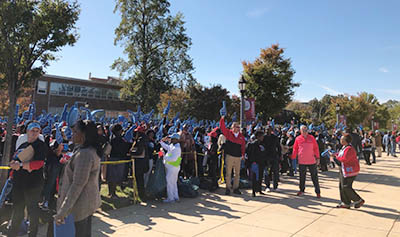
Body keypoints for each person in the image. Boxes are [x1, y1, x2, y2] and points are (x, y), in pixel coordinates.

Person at [54, 120, 102, 237]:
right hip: (82, 207)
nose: (72, 134)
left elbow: (77, 185)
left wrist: (63, 211)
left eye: (75, 131)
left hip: (78, 208)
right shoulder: (83, 150)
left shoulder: (85, 154)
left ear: (84, 134)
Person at [8, 121, 47, 237]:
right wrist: (13, 167)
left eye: (37, 130)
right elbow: (15, 159)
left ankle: (32, 234)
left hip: (33, 184)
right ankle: (13, 233)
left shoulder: (41, 145)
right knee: (17, 210)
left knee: (32, 210)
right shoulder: (21, 144)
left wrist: (20, 166)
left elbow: (39, 163)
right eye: (32, 130)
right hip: (19, 182)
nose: (34, 133)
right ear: (27, 131)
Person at [331, 134, 365, 209]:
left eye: (342, 139)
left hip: (350, 170)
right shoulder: (344, 148)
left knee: (346, 187)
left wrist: (335, 158)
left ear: (346, 141)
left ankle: (358, 200)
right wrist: (335, 155)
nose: (340, 140)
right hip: (343, 169)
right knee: (342, 186)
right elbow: (340, 155)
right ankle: (346, 202)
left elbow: (344, 159)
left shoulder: (349, 149)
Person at [291, 125, 321, 198]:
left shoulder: (312, 138)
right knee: (302, 177)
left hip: (311, 161)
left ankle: (318, 192)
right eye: (303, 130)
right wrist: (293, 157)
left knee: (314, 177)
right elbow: (295, 148)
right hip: (302, 161)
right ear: (300, 131)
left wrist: (318, 158)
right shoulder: (298, 139)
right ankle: (301, 190)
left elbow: (316, 148)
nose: (305, 132)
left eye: (306, 130)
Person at [219, 116, 246, 195]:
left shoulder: (241, 136)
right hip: (230, 156)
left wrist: (243, 155)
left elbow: (243, 146)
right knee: (228, 173)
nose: (238, 128)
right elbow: (222, 127)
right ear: (232, 127)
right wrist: (222, 119)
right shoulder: (229, 133)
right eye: (236, 126)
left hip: (238, 157)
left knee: (237, 173)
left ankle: (236, 188)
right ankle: (228, 188)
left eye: (238, 127)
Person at [107, 124, 130, 198]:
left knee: (111, 177)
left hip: (112, 158)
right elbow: (125, 149)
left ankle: (110, 192)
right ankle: (113, 193)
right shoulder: (120, 140)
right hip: (118, 159)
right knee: (115, 177)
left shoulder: (111, 138)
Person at [160, 133, 182, 203]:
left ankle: (170, 198)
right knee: (173, 183)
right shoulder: (173, 146)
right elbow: (167, 147)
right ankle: (175, 197)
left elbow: (173, 159)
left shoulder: (177, 148)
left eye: (172, 138)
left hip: (173, 167)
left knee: (170, 183)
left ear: (176, 140)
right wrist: (161, 141)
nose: (171, 139)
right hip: (172, 167)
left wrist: (164, 155)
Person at [246, 130, 266, 197]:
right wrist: (252, 161)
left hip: (261, 163)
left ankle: (259, 190)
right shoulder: (253, 144)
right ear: (258, 136)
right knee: (255, 177)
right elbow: (250, 154)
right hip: (255, 163)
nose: (263, 137)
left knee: (260, 177)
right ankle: (253, 191)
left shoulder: (262, 144)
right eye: (262, 136)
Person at [263, 126, 281, 191]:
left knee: (276, 172)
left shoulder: (275, 137)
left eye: (269, 129)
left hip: (274, 157)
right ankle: (267, 186)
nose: (268, 131)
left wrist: (280, 155)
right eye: (266, 130)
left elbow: (278, 147)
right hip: (266, 157)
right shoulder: (263, 138)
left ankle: (275, 186)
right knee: (267, 172)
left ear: (271, 130)